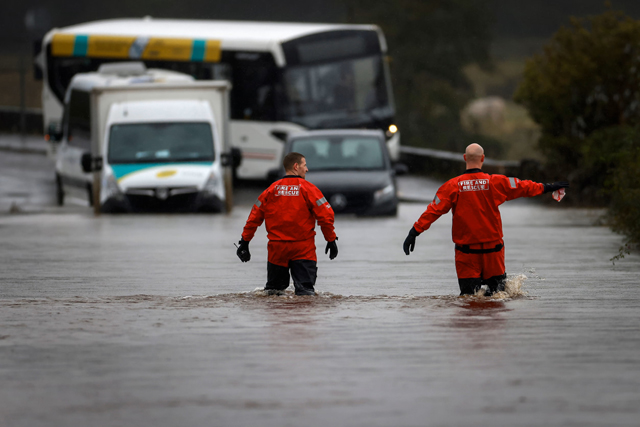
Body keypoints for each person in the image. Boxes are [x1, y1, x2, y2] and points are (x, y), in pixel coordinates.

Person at [402, 143, 569, 296]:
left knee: (469, 301)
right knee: (499, 299)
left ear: (464, 158)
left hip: (467, 254)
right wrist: (547, 187)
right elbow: (522, 186)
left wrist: (414, 231)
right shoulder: (496, 182)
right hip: (493, 253)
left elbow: (433, 210)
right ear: (483, 159)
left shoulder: (452, 186)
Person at [237, 152, 338, 296]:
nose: (307, 169)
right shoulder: (309, 189)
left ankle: (277, 318)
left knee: (273, 294)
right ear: (296, 166)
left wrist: (245, 242)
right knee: (306, 294)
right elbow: (326, 216)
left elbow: (254, 218)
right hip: (303, 249)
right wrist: (331, 239)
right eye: (305, 165)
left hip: (277, 250)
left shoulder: (271, 190)